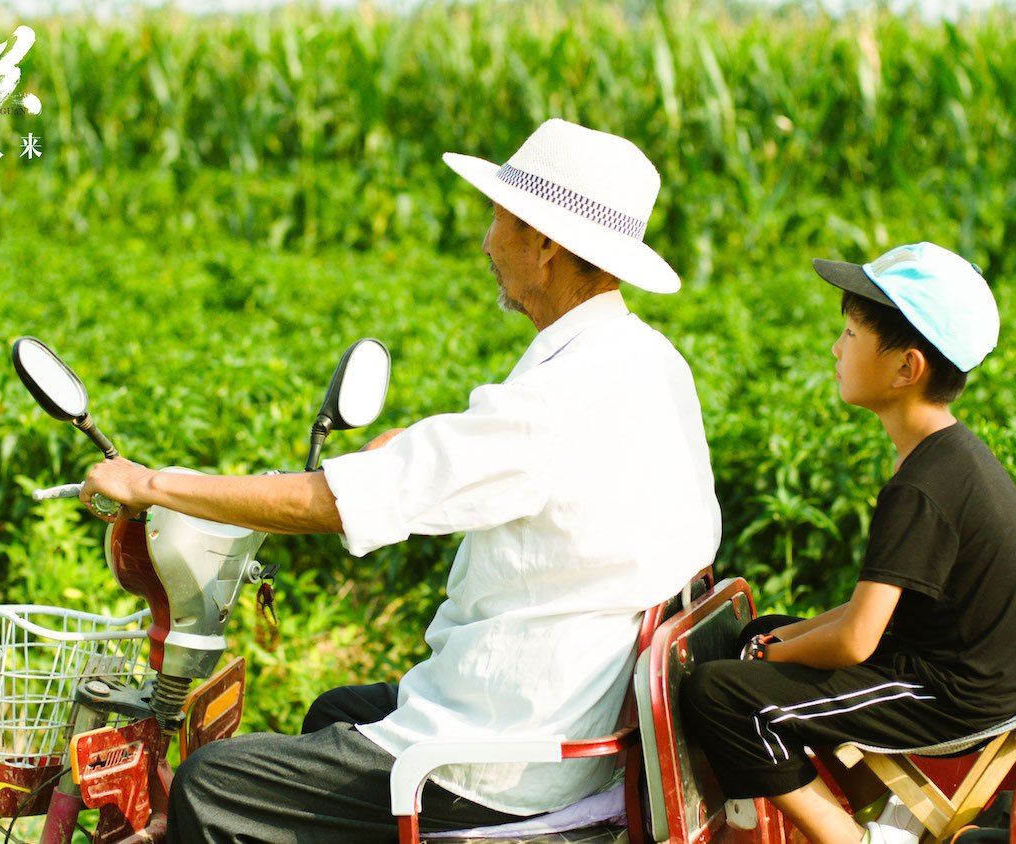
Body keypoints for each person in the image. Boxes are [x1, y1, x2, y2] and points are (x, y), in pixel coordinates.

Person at [79, 118, 722, 843]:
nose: (486, 241)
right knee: (334, 709)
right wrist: (408, 451)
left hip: (504, 751)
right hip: (572, 697)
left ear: (544, 245)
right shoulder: (644, 358)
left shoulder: (556, 398)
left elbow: (334, 503)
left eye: (499, 219)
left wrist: (155, 484)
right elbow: (517, 460)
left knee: (212, 784)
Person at [679, 243, 1016, 844]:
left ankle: (845, 839)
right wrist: (777, 642)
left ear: (907, 369)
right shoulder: (947, 456)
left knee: (717, 693)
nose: (836, 348)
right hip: (958, 672)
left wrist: (769, 659)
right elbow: (868, 616)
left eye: (850, 333)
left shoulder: (922, 487)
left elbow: (856, 640)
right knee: (756, 634)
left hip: (950, 696)